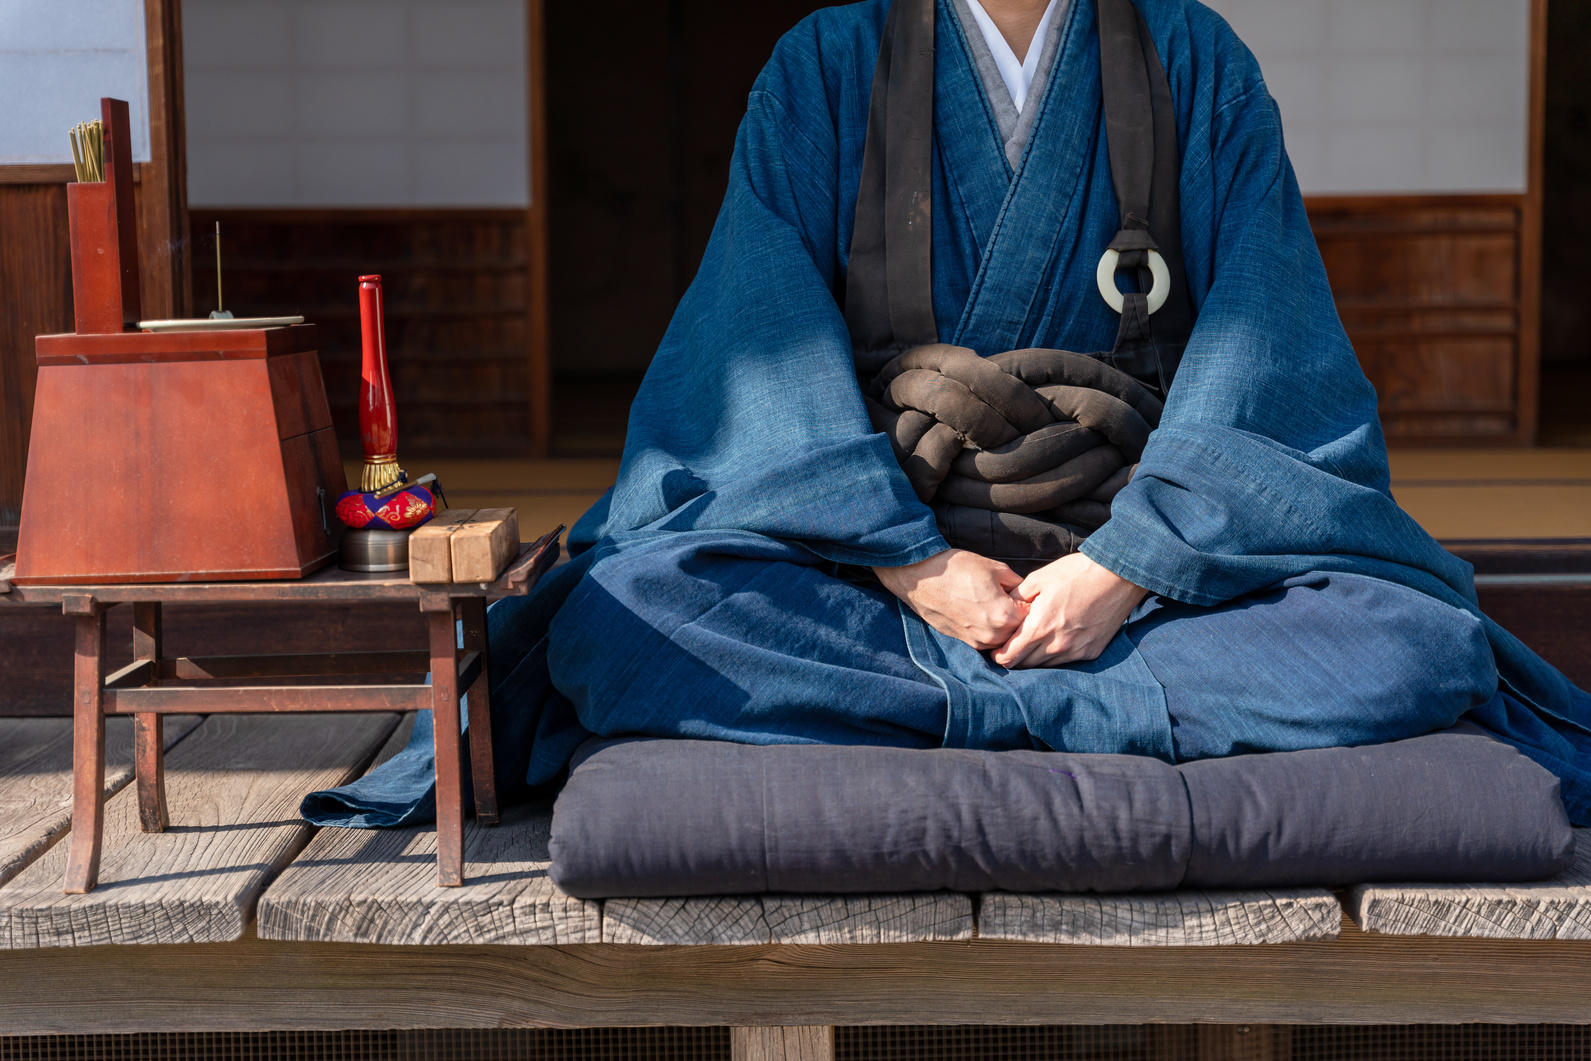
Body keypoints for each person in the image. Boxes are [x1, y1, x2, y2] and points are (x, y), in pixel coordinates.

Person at [306, 0, 1591, 829]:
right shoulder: (824, 66)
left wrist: (1123, 570)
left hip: (1137, 548)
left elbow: (1267, 345)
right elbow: (753, 354)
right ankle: (1070, 696)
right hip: (884, 550)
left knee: (1409, 640)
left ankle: (958, 698)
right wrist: (916, 568)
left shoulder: (1194, 62)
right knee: (628, 617)